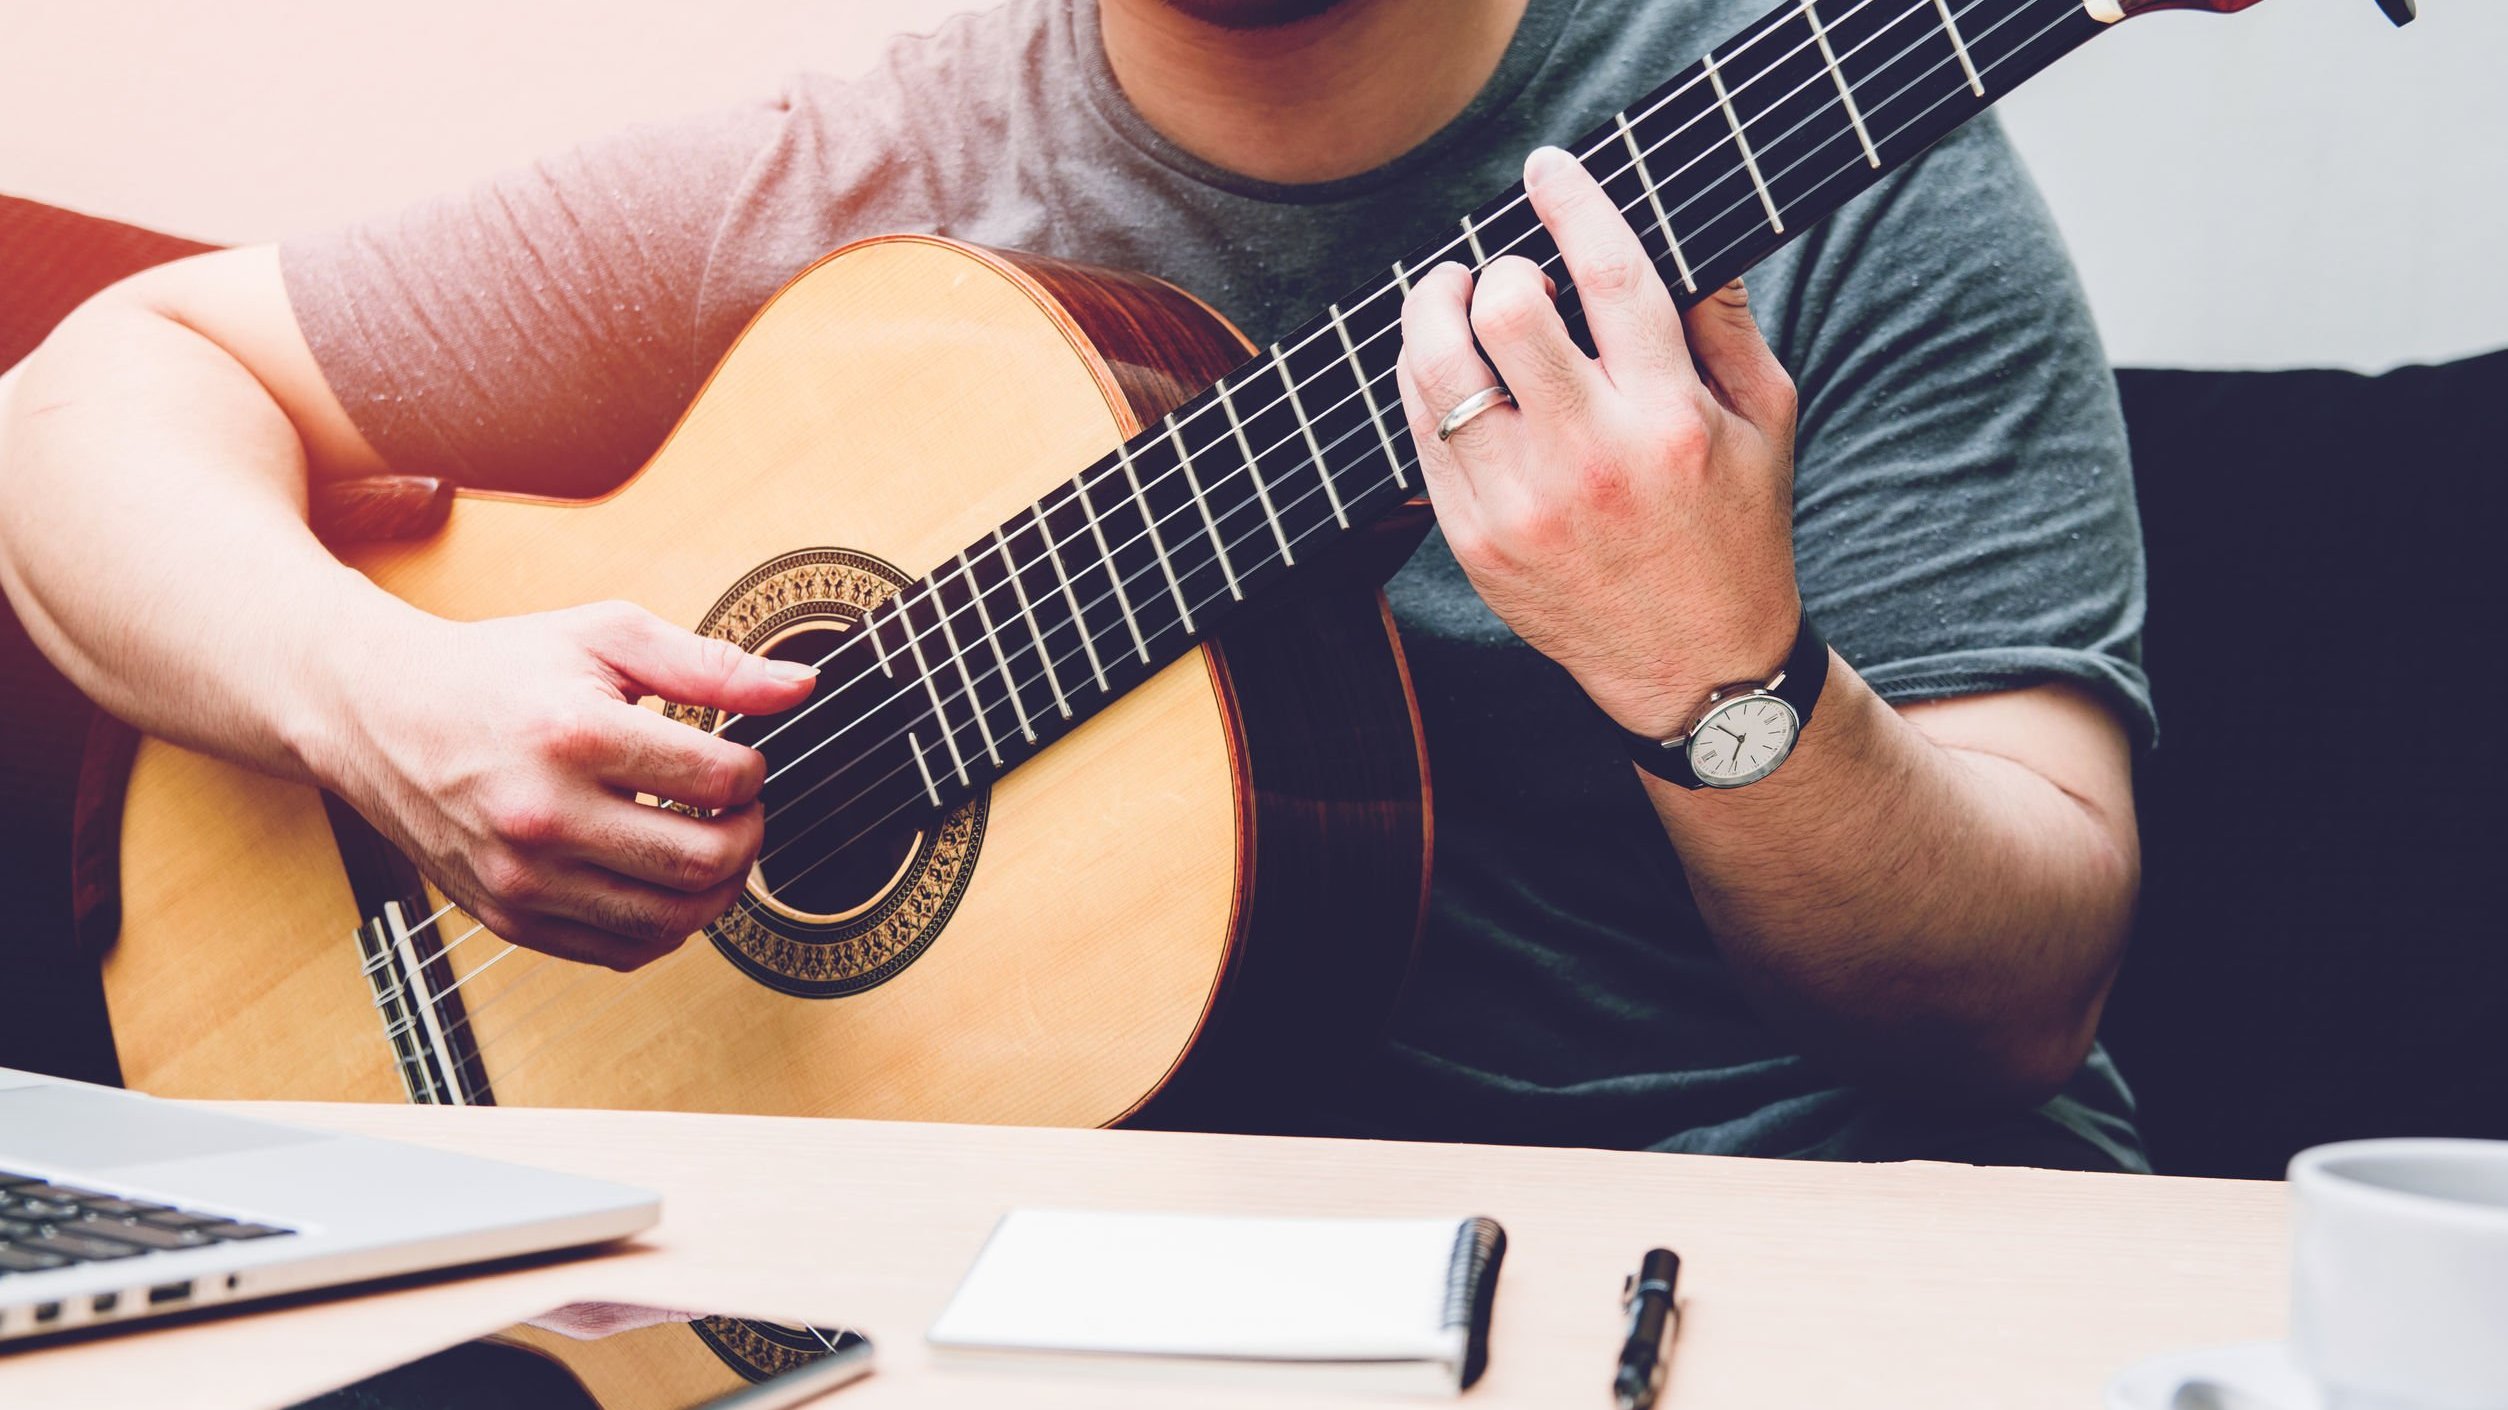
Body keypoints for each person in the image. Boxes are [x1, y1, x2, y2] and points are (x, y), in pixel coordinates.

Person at [0, 0, 2150, 1169]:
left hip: (1753, 1242)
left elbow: (2013, 1004)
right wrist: (390, 706)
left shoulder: (1833, 147)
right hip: (1046, 1287)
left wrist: (1722, 683)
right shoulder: (854, 186)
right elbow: (94, 398)